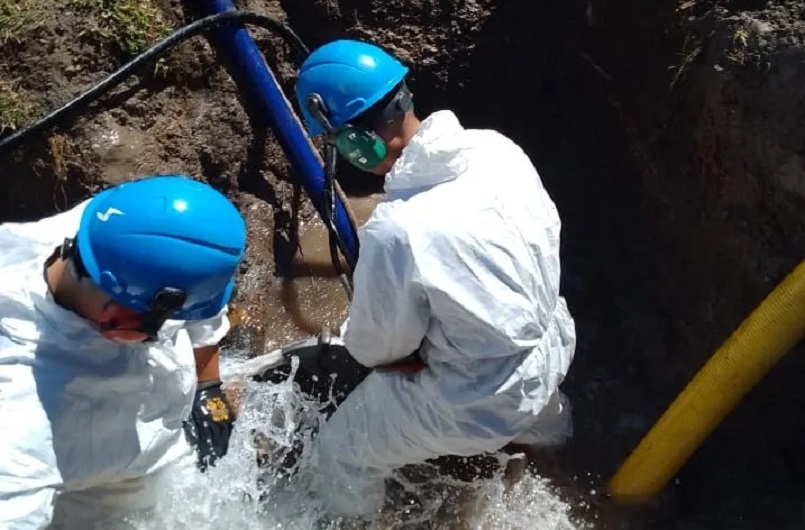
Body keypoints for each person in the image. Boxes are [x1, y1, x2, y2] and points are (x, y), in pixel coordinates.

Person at [294, 39, 578, 516]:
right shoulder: (496, 146)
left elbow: (374, 350)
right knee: (540, 411)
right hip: (553, 347)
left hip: (476, 400)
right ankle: (562, 454)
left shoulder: (397, 228)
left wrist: (410, 352)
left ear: (357, 143)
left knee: (341, 452)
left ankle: (359, 524)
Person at [0, 175, 247, 529]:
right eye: (165, 322)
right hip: (104, 487)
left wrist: (208, 386)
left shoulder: (110, 232)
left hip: (158, 448)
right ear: (118, 320)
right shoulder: (22, 420)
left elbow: (198, 300)